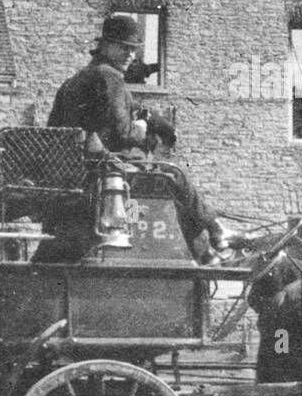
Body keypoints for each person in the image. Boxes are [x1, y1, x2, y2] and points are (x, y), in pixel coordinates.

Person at [45, 15, 232, 261]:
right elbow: (124, 132)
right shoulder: (109, 76)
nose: (131, 55)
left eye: (133, 50)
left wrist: (160, 123)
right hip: (101, 168)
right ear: (106, 46)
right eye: (124, 48)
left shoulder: (78, 79)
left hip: (75, 167)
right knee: (174, 175)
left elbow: (133, 107)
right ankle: (214, 232)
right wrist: (143, 129)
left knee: (167, 179)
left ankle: (208, 249)